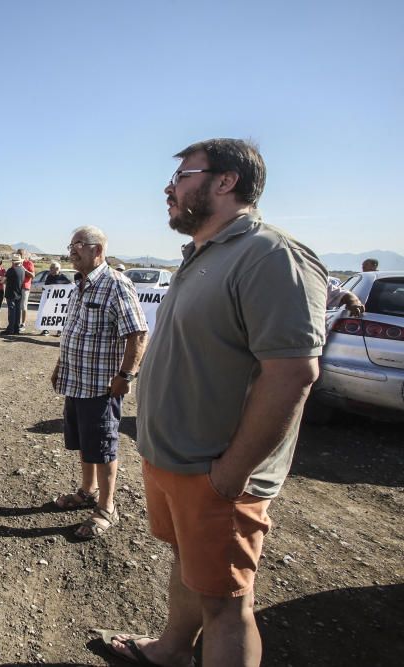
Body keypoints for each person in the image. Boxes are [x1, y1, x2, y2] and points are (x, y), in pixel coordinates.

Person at [102, 139, 327, 667]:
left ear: (225, 182)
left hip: (217, 474)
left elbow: (293, 371)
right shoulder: (204, 252)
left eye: (184, 175)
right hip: (174, 462)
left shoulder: (272, 256)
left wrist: (232, 474)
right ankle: (173, 651)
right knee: (190, 568)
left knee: (228, 607)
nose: (169, 187)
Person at [48, 226, 147, 539]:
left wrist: (126, 376)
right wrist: (60, 365)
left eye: (78, 244)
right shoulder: (81, 284)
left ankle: (106, 508)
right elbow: (75, 332)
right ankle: (88, 491)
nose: (71, 250)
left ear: (97, 250)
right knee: (84, 443)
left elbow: (138, 334)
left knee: (103, 447)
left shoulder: (116, 284)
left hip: (101, 386)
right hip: (76, 382)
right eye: (71, 244)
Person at [2, 254, 25, 334]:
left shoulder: (11, 270)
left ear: (13, 262)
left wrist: (0, 278)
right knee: (17, 311)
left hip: (11, 293)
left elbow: (3, 281)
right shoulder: (22, 270)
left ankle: (10, 329)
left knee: (11, 311)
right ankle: (16, 328)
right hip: (19, 292)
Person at [18, 247, 35, 330]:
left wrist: (23, 269)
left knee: (23, 306)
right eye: (18, 254)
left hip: (25, 287)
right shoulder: (15, 263)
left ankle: (23, 324)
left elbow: (32, 275)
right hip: (17, 287)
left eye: (20, 254)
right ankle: (16, 322)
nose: (19, 255)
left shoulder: (29, 263)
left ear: (24, 255)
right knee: (17, 306)